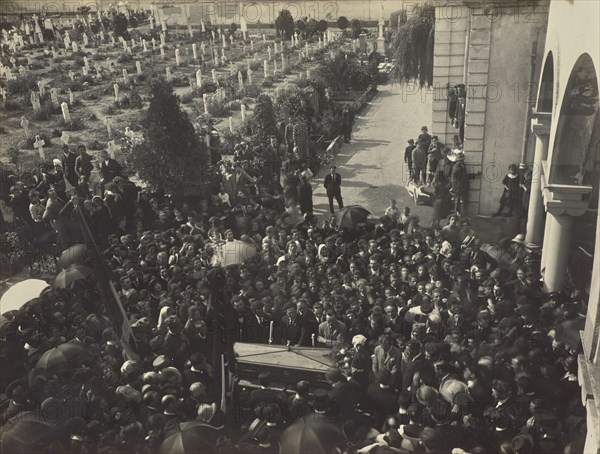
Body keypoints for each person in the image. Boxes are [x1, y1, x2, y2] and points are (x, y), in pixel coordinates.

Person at [450, 151, 469, 216]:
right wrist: (455, 187)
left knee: (464, 200)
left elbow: (465, 176)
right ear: (458, 160)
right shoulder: (456, 168)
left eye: (463, 159)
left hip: (464, 186)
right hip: (459, 187)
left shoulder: (462, 166)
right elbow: (455, 179)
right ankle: (457, 212)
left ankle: (463, 213)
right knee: (457, 200)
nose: (462, 161)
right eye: (461, 160)